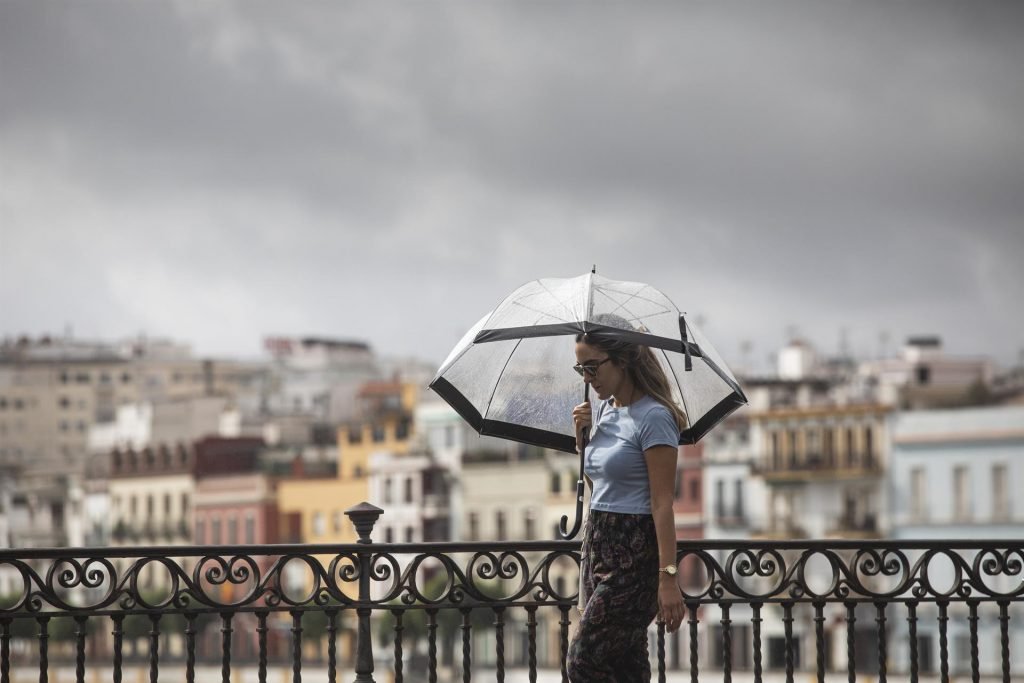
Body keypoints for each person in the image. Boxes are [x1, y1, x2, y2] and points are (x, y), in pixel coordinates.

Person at [566, 328, 687, 682]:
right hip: (599, 543)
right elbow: (601, 484)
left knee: (582, 662)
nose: (588, 379)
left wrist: (668, 578)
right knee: (626, 666)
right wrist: (581, 441)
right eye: (581, 370)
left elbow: (663, 502)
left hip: (633, 552)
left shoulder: (655, 417)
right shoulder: (601, 413)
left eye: (592, 367)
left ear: (622, 360)